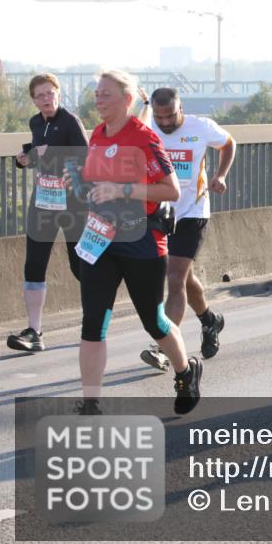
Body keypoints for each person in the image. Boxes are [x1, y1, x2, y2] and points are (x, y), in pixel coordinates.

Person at [63, 69, 202, 415]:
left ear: (127, 100)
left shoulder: (144, 138)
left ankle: (186, 372)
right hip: (100, 240)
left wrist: (124, 189)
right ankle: (91, 403)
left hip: (142, 240)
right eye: (96, 93)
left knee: (153, 320)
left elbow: (170, 190)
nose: (98, 99)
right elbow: (98, 183)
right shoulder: (97, 135)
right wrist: (78, 182)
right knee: (93, 321)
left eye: (105, 94)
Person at [140, 87, 236, 371]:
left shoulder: (201, 127)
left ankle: (162, 347)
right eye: (159, 117)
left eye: (170, 115)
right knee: (184, 277)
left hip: (193, 210)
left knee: (174, 277)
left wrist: (220, 176)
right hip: (162, 211)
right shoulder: (148, 127)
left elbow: (229, 143)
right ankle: (209, 320)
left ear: (180, 107)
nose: (165, 122)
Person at [6, 74, 89, 353]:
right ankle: (34, 331)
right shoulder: (35, 122)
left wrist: (44, 153)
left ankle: (95, 319)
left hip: (73, 204)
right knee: (34, 265)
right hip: (43, 201)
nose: (45, 99)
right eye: (39, 95)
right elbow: (39, 157)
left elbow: (83, 157)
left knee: (79, 266)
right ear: (33, 99)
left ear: (58, 94)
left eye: (49, 93)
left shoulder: (71, 121)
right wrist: (25, 159)